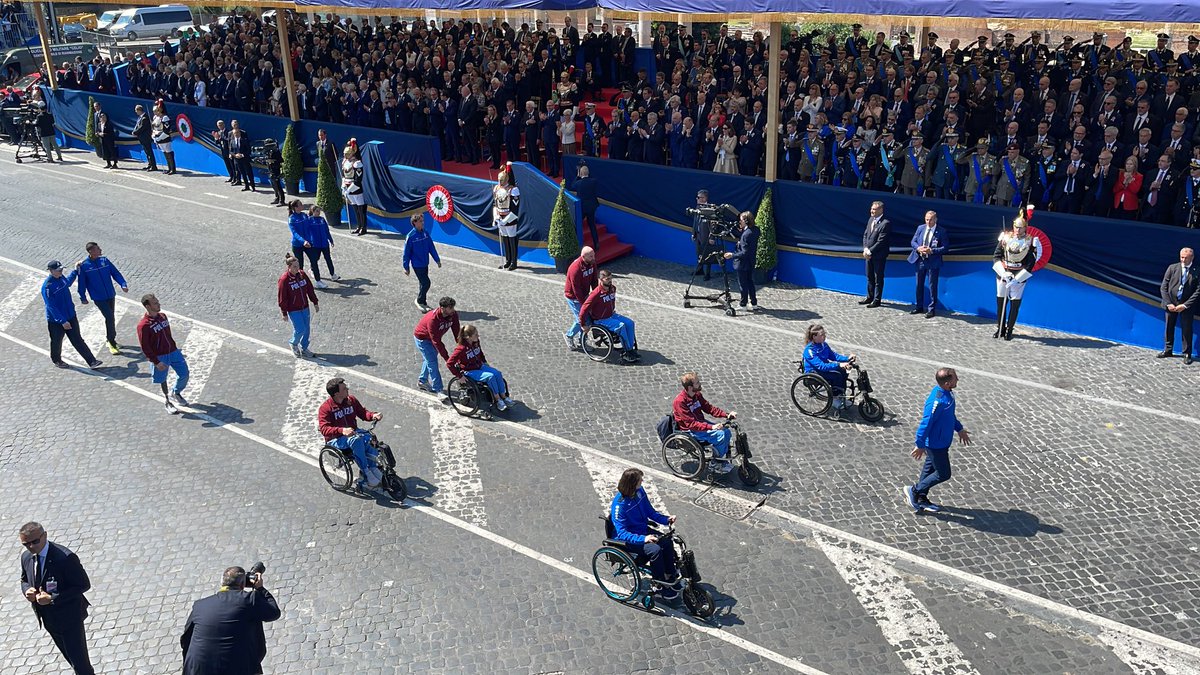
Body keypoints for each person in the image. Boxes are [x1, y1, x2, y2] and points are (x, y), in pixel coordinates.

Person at [18, 522, 94, 675]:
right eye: (26, 544)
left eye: (35, 542)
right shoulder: (27, 557)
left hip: (69, 618)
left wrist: (53, 598)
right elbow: (24, 579)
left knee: (81, 665)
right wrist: (27, 590)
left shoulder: (64, 558)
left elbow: (83, 585)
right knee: (71, 659)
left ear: (44, 536)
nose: (31, 547)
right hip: (49, 619)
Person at [180, 565, 281, 675]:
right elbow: (274, 612)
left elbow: (186, 638)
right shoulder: (248, 600)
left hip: (196, 669)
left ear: (222, 583)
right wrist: (260, 588)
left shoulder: (200, 605)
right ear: (243, 585)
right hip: (236, 668)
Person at [903, 368, 971, 514]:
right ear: (947, 383)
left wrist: (959, 429)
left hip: (942, 442)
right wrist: (920, 444)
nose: (957, 380)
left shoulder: (947, 395)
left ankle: (920, 498)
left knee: (929, 470)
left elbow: (949, 416)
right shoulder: (937, 401)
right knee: (943, 473)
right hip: (935, 445)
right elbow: (926, 423)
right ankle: (914, 490)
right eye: (955, 378)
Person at [609, 468, 682, 603]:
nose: (642, 482)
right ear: (632, 483)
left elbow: (650, 511)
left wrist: (666, 519)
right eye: (640, 480)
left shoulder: (640, 492)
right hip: (629, 540)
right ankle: (658, 584)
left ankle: (670, 574)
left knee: (666, 541)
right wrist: (644, 539)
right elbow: (622, 533)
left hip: (642, 531)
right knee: (655, 550)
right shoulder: (619, 507)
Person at [317, 377, 385, 489]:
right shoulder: (325, 408)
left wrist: (373, 415)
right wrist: (342, 430)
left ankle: (373, 467)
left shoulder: (351, 400)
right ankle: (366, 471)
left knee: (370, 437)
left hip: (353, 432)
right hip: (336, 439)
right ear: (336, 394)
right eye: (344, 389)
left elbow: (362, 413)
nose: (347, 389)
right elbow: (324, 429)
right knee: (356, 440)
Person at [42, 260, 102, 369]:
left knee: (77, 339)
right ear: (51, 271)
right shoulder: (47, 287)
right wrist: (62, 321)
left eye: (61, 269)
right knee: (56, 341)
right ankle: (57, 360)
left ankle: (92, 361)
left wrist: (75, 270)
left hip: (70, 315)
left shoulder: (61, 278)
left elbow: (68, 282)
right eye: (58, 270)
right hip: (56, 321)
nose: (61, 271)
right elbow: (50, 306)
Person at [671, 372, 735, 473]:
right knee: (721, 435)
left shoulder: (697, 395)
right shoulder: (680, 402)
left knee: (726, 431)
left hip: (700, 423)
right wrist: (711, 427)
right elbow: (690, 424)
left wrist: (726, 414)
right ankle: (715, 463)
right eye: (697, 383)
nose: (700, 384)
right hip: (691, 430)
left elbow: (708, 408)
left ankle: (719, 457)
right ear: (690, 387)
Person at [991, 214, 1042, 340]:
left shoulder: (1029, 241)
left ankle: (1010, 329)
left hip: (1018, 275)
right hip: (1004, 273)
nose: (1018, 230)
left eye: (1020, 228)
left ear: (1025, 228)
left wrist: (1017, 279)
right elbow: (996, 256)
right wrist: (1003, 273)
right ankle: (1000, 327)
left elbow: (1030, 263)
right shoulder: (1006, 237)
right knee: (1001, 302)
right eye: (1016, 227)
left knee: (1014, 304)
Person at [137, 293, 189, 414]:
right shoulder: (143, 325)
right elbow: (145, 346)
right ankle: (167, 401)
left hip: (173, 352)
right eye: (155, 303)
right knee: (162, 379)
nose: (158, 304)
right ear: (148, 306)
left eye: (157, 302)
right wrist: (156, 361)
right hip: (160, 356)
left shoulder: (163, 316)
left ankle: (176, 392)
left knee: (184, 374)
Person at [77, 242, 128, 355]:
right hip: (98, 298)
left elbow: (115, 273)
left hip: (110, 294)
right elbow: (82, 283)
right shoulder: (84, 266)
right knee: (109, 317)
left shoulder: (104, 261)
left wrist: (123, 283)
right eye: (97, 248)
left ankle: (111, 339)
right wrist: (82, 296)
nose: (100, 249)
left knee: (111, 317)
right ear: (91, 252)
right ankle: (111, 341)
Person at [447, 324, 514, 411]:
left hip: (479, 365)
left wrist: (485, 362)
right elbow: (449, 363)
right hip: (469, 371)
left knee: (498, 373)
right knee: (491, 377)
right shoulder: (461, 349)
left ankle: (504, 396)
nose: (478, 336)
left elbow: (480, 353)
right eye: (475, 334)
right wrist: (459, 376)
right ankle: (498, 400)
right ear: (468, 337)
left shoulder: (476, 342)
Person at [579, 269, 640, 362]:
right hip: (601, 319)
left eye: (611, 278)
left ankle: (630, 348)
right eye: (607, 279)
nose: (610, 281)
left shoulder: (613, 289)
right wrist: (583, 324)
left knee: (630, 323)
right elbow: (584, 309)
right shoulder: (596, 294)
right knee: (621, 326)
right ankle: (627, 350)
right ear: (601, 280)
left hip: (612, 315)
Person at [413, 296, 460, 400]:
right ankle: (438, 390)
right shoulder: (433, 320)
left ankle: (422, 381)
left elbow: (457, 332)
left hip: (432, 338)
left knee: (429, 359)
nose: (453, 310)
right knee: (433, 362)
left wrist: (461, 347)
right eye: (450, 308)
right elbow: (437, 342)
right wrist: (448, 359)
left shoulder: (453, 314)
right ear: (442, 308)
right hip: (423, 339)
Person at [802, 324, 857, 413]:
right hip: (814, 371)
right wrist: (839, 365)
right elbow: (821, 366)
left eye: (824, 334)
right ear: (814, 337)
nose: (824, 336)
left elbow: (833, 356)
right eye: (822, 335)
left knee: (843, 371)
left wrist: (847, 359)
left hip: (822, 368)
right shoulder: (809, 351)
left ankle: (839, 393)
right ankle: (835, 399)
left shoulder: (823, 345)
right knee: (836, 375)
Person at [1158, 247, 1198, 364]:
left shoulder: (1197, 271)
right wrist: (1168, 303)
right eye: (1181, 257)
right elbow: (1164, 287)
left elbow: (1198, 291)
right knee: (1169, 327)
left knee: (1187, 329)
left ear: (1192, 258)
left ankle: (1187, 353)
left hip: (1186, 306)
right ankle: (1168, 350)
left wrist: (1185, 305)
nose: (1183, 260)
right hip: (1171, 304)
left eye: (1186, 258)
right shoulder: (1172, 268)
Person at [907, 210, 947, 318]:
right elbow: (913, 242)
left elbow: (945, 247)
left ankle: (931, 309)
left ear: (935, 220)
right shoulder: (920, 228)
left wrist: (932, 251)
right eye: (927, 219)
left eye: (930, 220)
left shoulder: (941, 231)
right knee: (919, 284)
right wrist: (918, 248)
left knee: (932, 285)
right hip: (920, 260)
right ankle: (919, 306)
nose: (928, 222)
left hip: (933, 261)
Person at [277, 253, 319, 358]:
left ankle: (304, 348)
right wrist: (284, 312)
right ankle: (293, 343)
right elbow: (282, 297)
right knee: (300, 329)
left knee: (307, 329)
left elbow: (309, 289)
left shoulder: (302, 274)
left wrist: (315, 302)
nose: (297, 268)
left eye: (298, 266)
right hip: (293, 309)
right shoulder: (284, 280)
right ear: (289, 267)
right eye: (294, 266)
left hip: (304, 307)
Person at [402, 213, 441, 311]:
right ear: (414, 223)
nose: (423, 223)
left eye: (423, 221)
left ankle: (423, 302)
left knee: (422, 283)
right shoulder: (410, 236)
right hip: (417, 265)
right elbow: (406, 253)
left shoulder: (425, 233)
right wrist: (406, 267)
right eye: (420, 221)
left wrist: (437, 259)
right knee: (426, 283)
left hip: (425, 263)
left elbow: (431, 247)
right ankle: (419, 301)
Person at [286, 200, 328, 289]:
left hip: (308, 244)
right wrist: (303, 241)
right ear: (296, 207)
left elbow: (311, 226)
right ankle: (299, 281)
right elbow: (295, 233)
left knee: (314, 261)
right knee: (299, 264)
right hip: (298, 245)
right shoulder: (292, 219)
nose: (302, 206)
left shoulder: (304, 215)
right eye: (300, 205)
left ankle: (318, 281)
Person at [723, 210, 760, 311]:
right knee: (750, 282)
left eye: (741, 220)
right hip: (751, 261)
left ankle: (743, 304)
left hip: (743, 263)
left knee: (743, 284)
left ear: (746, 221)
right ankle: (754, 303)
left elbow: (744, 252)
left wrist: (732, 255)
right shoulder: (755, 230)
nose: (740, 222)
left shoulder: (746, 235)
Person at [563, 246, 597, 350]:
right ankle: (569, 335)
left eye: (593, 255)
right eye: (591, 256)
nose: (593, 258)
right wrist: (584, 304)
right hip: (573, 297)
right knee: (581, 319)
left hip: (584, 294)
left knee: (587, 319)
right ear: (583, 257)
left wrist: (596, 295)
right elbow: (576, 289)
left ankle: (582, 340)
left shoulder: (592, 263)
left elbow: (594, 280)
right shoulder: (575, 268)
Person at [860, 201, 890, 307]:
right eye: (872, 209)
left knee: (878, 278)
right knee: (869, 276)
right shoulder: (870, 220)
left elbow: (881, 241)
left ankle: (877, 300)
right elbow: (865, 235)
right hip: (868, 255)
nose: (872, 211)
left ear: (881, 210)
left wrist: (870, 251)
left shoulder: (885, 223)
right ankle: (870, 297)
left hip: (878, 256)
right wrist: (865, 249)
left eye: (874, 209)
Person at [493, 169, 521, 269]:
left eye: (502, 180)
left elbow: (515, 209)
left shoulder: (513, 190)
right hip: (500, 216)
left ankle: (514, 261)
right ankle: (508, 259)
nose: (500, 182)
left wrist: (506, 220)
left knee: (512, 239)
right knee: (505, 239)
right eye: (499, 180)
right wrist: (496, 216)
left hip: (510, 218)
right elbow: (495, 204)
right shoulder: (496, 188)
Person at [572, 163, 600, 252]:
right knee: (592, 225)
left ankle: (578, 244)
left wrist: (577, 176)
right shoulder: (594, 181)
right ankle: (596, 243)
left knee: (578, 224)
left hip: (583, 208)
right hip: (592, 206)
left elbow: (572, 186)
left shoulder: (578, 183)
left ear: (580, 173)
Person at [342, 139, 367, 235]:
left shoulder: (357, 163)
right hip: (347, 187)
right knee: (355, 209)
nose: (345, 156)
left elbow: (358, 179)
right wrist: (343, 186)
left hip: (356, 188)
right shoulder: (344, 162)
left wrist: (349, 189)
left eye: (347, 154)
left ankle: (363, 227)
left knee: (361, 210)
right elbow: (344, 176)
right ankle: (358, 225)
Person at [691, 189, 716, 280]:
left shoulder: (710, 208)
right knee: (699, 253)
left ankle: (707, 273)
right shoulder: (697, 208)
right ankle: (700, 269)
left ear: (704, 198)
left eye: (699, 197)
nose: (697, 199)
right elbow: (695, 221)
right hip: (698, 235)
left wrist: (712, 237)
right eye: (697, 197)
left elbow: (713, 224)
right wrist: (693, 233)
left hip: (706, 235)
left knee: (708, 254)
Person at [151, 100, 176, 175]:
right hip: (157, 137)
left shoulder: (165, 118)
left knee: (169, 153)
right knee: (165, 153)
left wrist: (160, 138)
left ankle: (172, 168)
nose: (155, 112)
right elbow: (154, 128)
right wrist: (153, 136)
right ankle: (169, 168)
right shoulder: (155, 117)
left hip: (165, 138)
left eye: (157, 110)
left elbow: (166, 130)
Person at [132, 103, 155, 170]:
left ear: (139, 110)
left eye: (136, 110)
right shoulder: (140, 118)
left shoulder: (145, 118)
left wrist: (135, 132)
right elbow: (137, 126)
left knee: (149, 151)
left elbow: (142, 127)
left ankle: (153, 166)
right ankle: (150, 164)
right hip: (142, 138)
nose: (136, 112)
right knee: (146, 152)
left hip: (146, 137)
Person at [266, 142, 284, 206]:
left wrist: (274, 161)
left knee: (278, 185)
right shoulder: (267, 152)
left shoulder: (276, 151)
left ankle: (282, 200)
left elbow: (281, 160)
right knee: (273, 185)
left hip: (276, 170)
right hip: (270, 170)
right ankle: (277, 197)